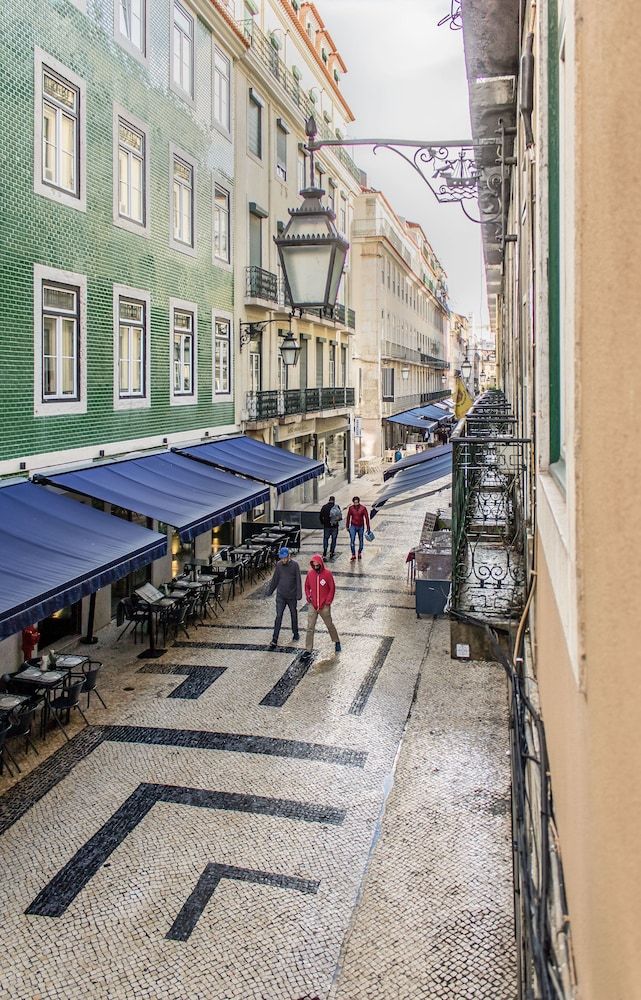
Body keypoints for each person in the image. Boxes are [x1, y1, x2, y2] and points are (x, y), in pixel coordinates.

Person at [302, 554, 340, 658]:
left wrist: (328, 601)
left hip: (324, 606)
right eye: (313, 564)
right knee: (310, 627)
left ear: (320, 564)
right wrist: (308, 596)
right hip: (313, 605)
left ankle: (336, 640)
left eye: (317, 564)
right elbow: (306, 586)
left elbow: (332, 588)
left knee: (329, 625)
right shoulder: (310, 574)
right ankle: (308, 649)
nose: (315, 566)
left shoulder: (327, 574)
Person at [264, 547, 302, 649]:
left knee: (293, 614)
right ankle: (274, 639)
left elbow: (298, 580)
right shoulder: (279, 565)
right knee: (279, 616)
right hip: (280, 596)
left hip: (291, 596)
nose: (283, 560)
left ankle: (295, 632)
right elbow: (275, 579)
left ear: (289, 556)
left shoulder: (295, 565)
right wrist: (270, 591)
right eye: (282, 558)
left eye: (285, 558)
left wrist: (299, 594)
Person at [346, 496, 371, 562]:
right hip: (353, 526)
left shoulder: (363, 508)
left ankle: (359, 552)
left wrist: (368, 528)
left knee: (361, 541)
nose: (356, 504)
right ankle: (353, 554)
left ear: (358, 502)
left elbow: (366, 518)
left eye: (357, 502)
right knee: (352, 540)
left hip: (360, 526)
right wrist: (347, 526)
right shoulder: (351, 508)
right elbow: (348, 517)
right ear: (353, 502)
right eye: (354, 502)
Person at [319, 494, 342, 560]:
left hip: (326, 526)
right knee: (333, 539)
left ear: (329, 500)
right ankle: (332, 552)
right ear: (334, 501)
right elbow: (340, 517)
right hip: (335, 526)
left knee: (326, 539)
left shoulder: (324, 507)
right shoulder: (336, 507)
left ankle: (325, 552)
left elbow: (320, 516)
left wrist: (323, 523)